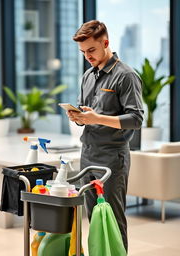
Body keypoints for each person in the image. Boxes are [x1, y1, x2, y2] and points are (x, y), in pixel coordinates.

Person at [67, 20, 144, 252]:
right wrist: (80, 117)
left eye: (91, 50)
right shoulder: (87, 76)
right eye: (83, 52)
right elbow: (90, 114)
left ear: (106, 42)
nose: (87, 56)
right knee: (94, 218)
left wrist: (97, 118)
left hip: (112, 158)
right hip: (88, 154)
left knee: (112, 219)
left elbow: (136, 119)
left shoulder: (126, 75)